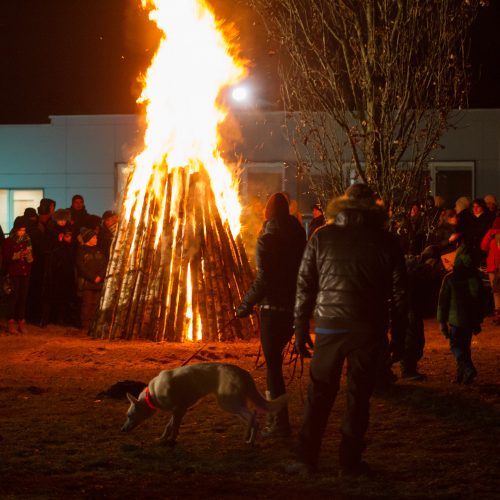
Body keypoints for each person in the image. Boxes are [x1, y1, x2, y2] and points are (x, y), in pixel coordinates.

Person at [291, 183, 407, 475]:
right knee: (358, 395)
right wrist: (400, 336)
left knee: (319, 393)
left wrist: (300, 327)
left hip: (329, 327)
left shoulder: (322, 237)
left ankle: (306, 458)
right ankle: (349, 461)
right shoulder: (386, 241)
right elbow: (401, 294)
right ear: (373, 208)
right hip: (368, 328)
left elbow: (304, 286)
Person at [235, 192, 306, 437]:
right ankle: (278, 420)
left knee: (273, 369)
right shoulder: (299, 236)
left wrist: (245, 304)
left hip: (272, 311)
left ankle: (278, 423)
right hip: (292, 309)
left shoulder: (267, 239)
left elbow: (264, 278)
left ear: (267, 212)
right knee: (274, 368)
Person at [437, 245, 485, 384]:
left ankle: (468, 369)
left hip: (457, 321)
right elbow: (480, 302)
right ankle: (461, 376)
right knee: (465, 347)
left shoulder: (450, 278)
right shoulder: (475, 278)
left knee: (456, 346)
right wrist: (478, 320)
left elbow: (442, 303)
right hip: (470, 320)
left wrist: (442, 322)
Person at [2, 217, 34, 334]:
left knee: (23, 297)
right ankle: (11, 321)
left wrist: (29, 256)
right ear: (15, 229)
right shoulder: (9, 241)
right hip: (14, 273)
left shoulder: (27, 240)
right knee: (13, 298)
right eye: (20, 230)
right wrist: (16, 255)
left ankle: (21, 320)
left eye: (24, 230)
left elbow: (31, 258)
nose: (22, 232)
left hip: (25, 273)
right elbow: (6, 257)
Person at [76, 227, 107, 331]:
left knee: (95, 304)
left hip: (99, 282)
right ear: (88, 239)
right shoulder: (81, 251)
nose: (96, 239)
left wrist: (100, 276)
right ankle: (85, 325)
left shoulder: (99, 250)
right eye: (94, 238)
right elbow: (81, 267)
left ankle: (93, 324)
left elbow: (105, 264)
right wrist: (92, 277)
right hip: (87, 283)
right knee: (87, 304)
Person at [480, 217, 500, 325]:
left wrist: (489, 233)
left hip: (493, 268)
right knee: (496, 292)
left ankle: (498, 314)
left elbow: (483, 247)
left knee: (496, 293)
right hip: (494, 268)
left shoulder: (492, 237)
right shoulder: (493, 236)